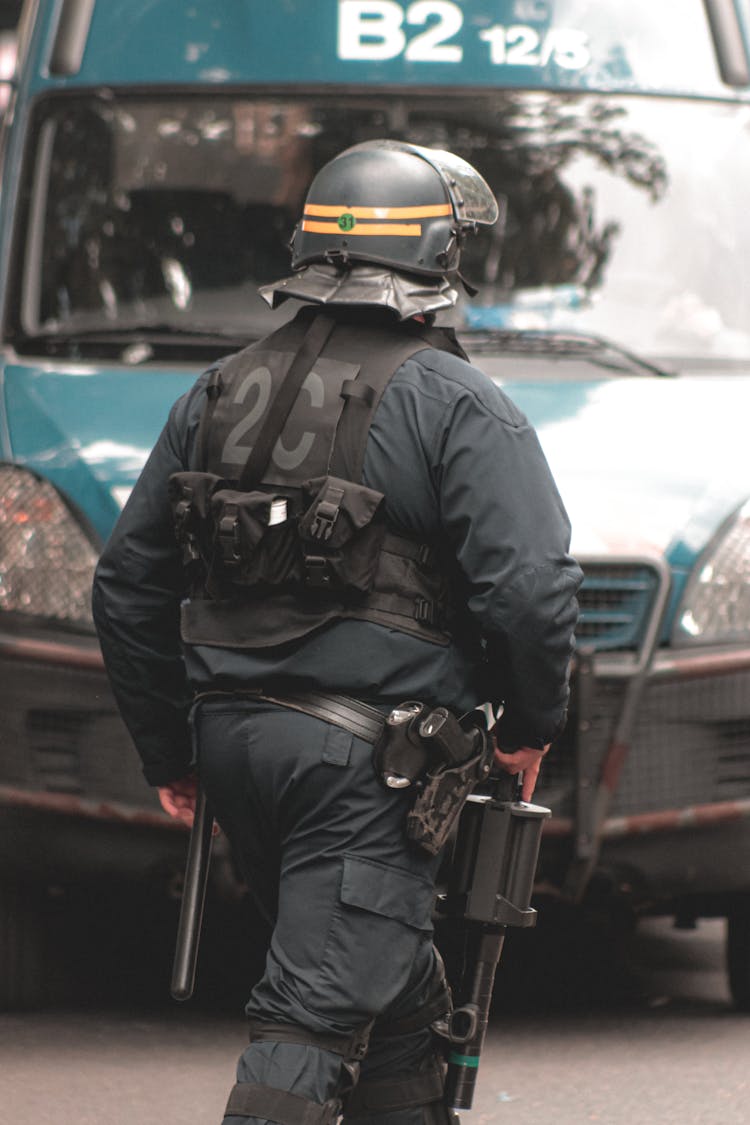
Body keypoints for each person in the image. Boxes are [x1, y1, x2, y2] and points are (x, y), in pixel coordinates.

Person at [92, 139, 582, 1125]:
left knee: (393, 1000)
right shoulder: (460, 406)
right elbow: (528, 592)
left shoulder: (220, 391)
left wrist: (170, 749)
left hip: (236, 750)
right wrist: (532, 725)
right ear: (440, 260)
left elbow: (126, 585)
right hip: (368, 772)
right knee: (310, 1015)